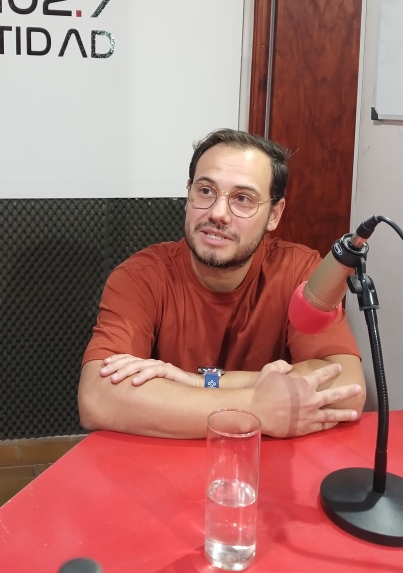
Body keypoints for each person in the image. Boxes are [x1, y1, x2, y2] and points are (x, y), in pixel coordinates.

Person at [78, 128, 366, 439]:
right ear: (188, 197)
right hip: (165, 458)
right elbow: (97, 398)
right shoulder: (140, 276)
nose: (217, 213)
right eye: (205, 191)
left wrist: (202, 381)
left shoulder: (300, 271)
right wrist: (256, 408)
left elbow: (348, 388)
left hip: (266, 460)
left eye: (242, 199)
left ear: (274, 214)